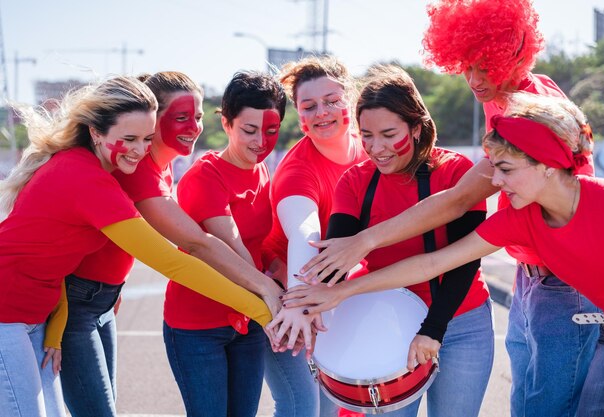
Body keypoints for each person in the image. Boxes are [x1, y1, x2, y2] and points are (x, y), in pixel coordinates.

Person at [298, 1, 597, 415]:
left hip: (561, 280)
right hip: (532, 273)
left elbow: (459, 201)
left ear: (514, 50)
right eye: (466, 66)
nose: (473, 80)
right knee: (528, 404)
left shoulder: (530, 112)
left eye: (483, 66)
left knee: (545, 408)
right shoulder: (503, 99)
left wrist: (364, 242)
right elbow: (432, 257)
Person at [284, 92, 604, 417]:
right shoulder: (521, 219)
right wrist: (337, 291)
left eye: (505, 169)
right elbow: (434, 262)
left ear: (548, 165)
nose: (494, 181)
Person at [0, 76, 272, 417]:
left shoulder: (101, 167)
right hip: (7, 313)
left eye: (146, 138)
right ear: (96, 132)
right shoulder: (87, 179)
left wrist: (54, 331)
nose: (140, 150)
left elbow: (61, 267)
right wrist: (264, 310)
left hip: (38, 314)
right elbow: (176, 262)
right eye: (128, 139)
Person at [318, 65, 493, 416]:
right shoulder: (354, 181)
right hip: (387, 320)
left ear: (415, 128)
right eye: (366, 135)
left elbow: (465, 260)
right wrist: (307, 303)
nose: (376, 148)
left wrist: (433, 329)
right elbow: (335, 258)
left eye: (387, 133)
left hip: (460, 319)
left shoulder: (457, 172)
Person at [163, 71, 286, 417]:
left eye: (271, 131)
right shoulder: (206, 175)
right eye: (249, 130)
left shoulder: (262, 172)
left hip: (245, 323)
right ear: (227, 123)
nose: (260, 142)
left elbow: (264, 246)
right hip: (196, 329)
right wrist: (274, 294)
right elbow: (234, 249)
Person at [263, 56, 368, 417]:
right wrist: (298, 304)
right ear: (299, 115)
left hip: (341, 287)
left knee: (352, 401)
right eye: (309, 106)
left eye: (332, 101)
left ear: (351, 101)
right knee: (309, 407)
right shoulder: (297, 171)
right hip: (290, 285)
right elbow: (306, 234)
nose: (322, 112)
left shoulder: (371, 149)